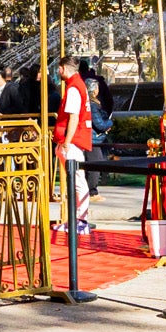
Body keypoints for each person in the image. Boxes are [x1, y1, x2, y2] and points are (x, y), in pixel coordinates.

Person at [51, 60, 95, 234]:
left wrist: (67, 142)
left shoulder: (73, 88)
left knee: (77, 180)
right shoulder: (77, 85)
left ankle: (81, 220)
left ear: (62, 69)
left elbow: (74, 117)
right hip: (74, 139)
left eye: (59, 69)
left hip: (73, 140)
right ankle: (77, 219)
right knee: (75, 180)